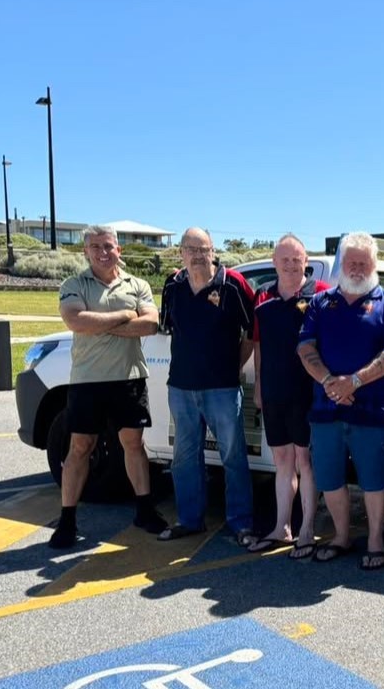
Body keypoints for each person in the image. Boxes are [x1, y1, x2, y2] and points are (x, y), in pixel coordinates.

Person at [50, 225, 166, 549]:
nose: (103, 252)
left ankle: (144, 510)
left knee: (133, 444)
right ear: (85, 251)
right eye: (95, 246)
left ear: (119, 250)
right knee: (80, 447)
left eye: (108, 246)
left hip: (129, 378)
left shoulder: (138, 284)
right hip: (87, 380)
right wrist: (124, 315)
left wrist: (98, 324)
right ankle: (67, 520)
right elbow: (76, 321)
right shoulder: (74, 284)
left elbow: (150, 324)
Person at [297, 232, 384, 570]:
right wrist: (330, 382)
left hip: (371, 411)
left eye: (364, 262)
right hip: (326, 409)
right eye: (351, 261)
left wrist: (354, 382)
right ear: (341, 264)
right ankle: (341, 536)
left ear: (374, 265)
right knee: (330, 479)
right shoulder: (320, 303)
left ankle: (375, 539)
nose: (357, 268)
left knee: (374, 480)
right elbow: (305, 347)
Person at [157, 227, 256, 545]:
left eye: (204, 249)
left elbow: (252, 333)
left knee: (233, 457)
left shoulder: (233, 285)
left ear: (213, 251)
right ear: (181, 253)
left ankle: (241, 522)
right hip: (181, 388)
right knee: (184, 458)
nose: (198, 255)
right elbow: (167, 327)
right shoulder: (172, 285)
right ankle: (189, 519)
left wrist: (234, 367)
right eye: (191, 249)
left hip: (222, 390)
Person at [247, 234, 331, 560]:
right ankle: (282, 527)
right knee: (282, 462)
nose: (292, 265)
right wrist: (257, 386)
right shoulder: (263, 298)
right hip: (273, 392)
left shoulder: (321, 295)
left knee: (305, 460)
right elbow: (258, 345)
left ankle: (307, 528)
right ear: (274, 262)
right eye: (285, 259)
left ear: (306, 261)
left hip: (306, 394)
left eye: (297, 259)